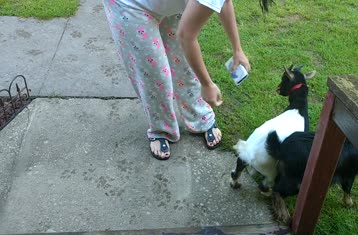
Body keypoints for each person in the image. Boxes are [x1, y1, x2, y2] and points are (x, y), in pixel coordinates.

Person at [102, 0, 257, 160]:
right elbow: (186, 37)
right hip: (130, 6)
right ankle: (160, 129)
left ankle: (199, 116)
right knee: (154, 75)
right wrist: (207, 84)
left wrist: (237, 49)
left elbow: (223, 2)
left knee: (182, 62)